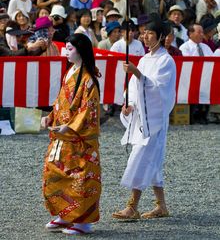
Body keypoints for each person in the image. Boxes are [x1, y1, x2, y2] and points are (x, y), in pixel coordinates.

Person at [112, 13, 176, 220]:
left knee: (140, 158)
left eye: (150, 33)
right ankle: (161, 205)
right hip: (142, 117)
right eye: (144, 33)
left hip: (154, 120)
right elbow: (133, 86)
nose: (145, 37)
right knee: (153, 161)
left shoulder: (166, 61)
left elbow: (160, 90)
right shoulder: (145, 59)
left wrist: (136, 72)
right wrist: (128, 103)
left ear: (161, 37)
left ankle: (132, 206)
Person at [41, 33, 101, 235]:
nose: (66, 52)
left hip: (79, 137)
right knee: (55, 172)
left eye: (70, 48)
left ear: (81, 50)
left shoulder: (88, 79)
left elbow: (88, 109)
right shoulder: (70, 73)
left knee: (80, 178)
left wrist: (72, 127)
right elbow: (61, 102)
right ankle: (65, 214)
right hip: (62, 133)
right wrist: (50, 117)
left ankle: (83, 221)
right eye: (66, 47)